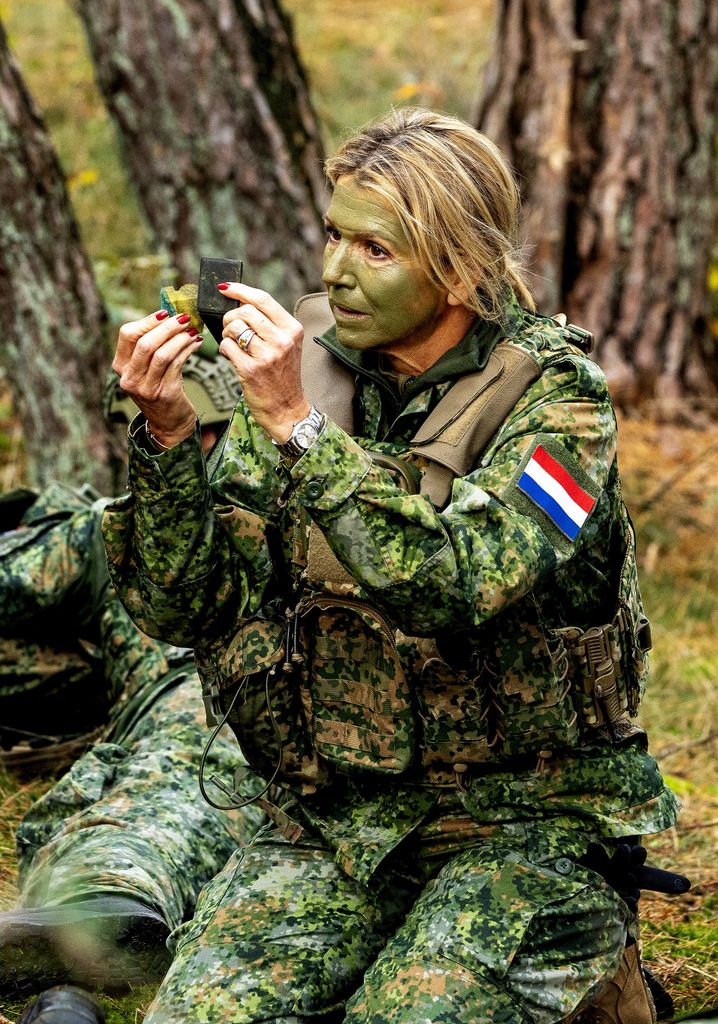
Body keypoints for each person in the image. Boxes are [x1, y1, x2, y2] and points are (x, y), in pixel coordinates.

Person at [102, 107, 678, 1024]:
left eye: (376, 249)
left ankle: (596, 978)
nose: (335, 270)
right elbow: (185, 609)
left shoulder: (562, 407)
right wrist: (168, 440)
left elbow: (460, 581)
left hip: (529, 823)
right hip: (342, 819)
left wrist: (300, 432)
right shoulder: (305, 375)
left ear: (459, 268)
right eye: (334, 233)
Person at [0, 352, 265, 1005]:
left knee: (207, 760)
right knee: (191, 756)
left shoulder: (296, 507)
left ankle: (103, 902)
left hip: (265, 704)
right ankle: (98, 907)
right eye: (160, 433)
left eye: (204, 435)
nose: (192, 453)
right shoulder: (113, 529)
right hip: (176, 705)